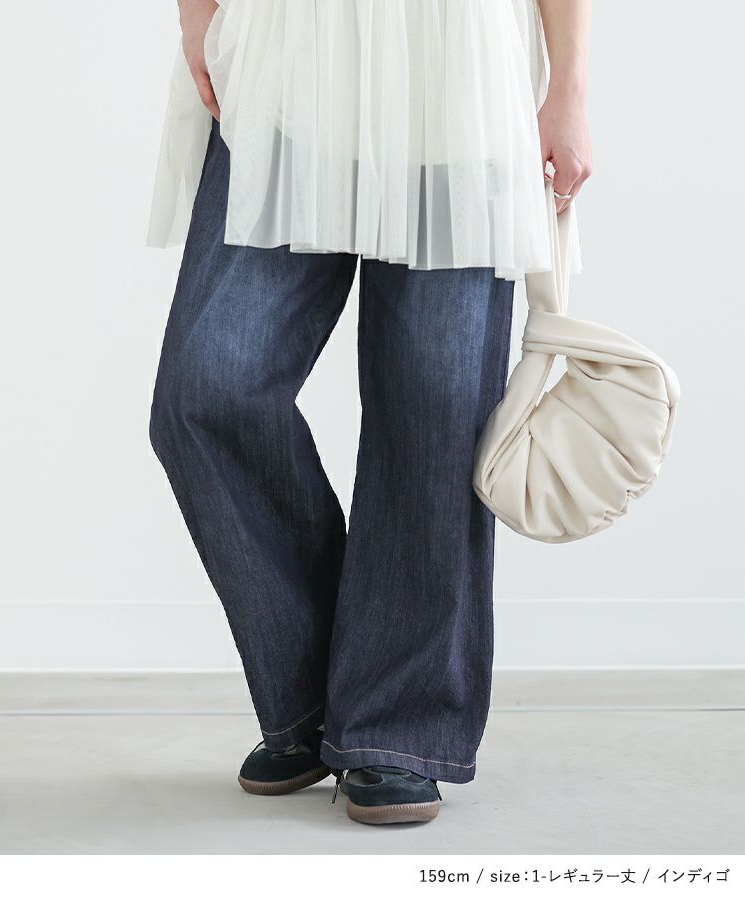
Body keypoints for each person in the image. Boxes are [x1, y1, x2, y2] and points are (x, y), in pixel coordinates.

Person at [147, 0, 592, 826]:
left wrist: (567, 87)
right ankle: (320, 700)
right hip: (288, 60)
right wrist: (197, 20)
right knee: (206, 390)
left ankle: (394, 727)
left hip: (458, 75)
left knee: (434, 412)